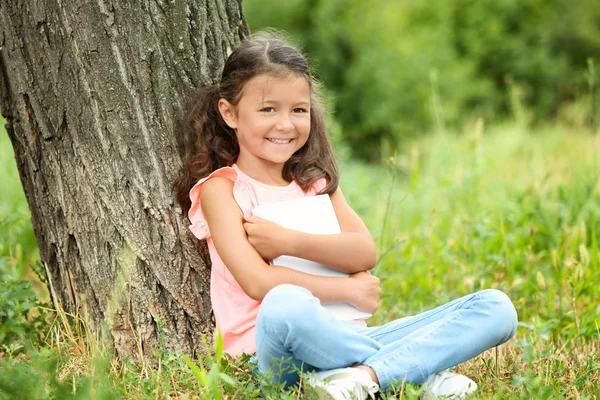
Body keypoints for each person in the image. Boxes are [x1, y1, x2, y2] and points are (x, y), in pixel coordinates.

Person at [175, 31, 518, 400]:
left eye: (298, 110)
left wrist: (290, 242)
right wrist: (349, 289)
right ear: (230, 114)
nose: (286, 124)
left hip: (348, 337)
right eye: (268, 109)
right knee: (284, 304)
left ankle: (365, 375)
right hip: (275, 350)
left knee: (496, 309)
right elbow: (259, 283)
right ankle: (414, 373)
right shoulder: (222, 190)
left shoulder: (312, 180)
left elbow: (363, 251)